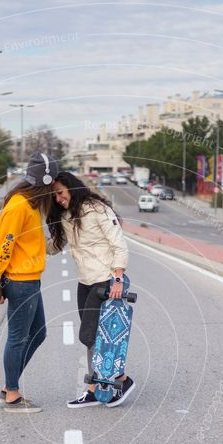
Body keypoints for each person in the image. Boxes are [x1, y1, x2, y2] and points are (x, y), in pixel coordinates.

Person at [48, 171, 135, 408]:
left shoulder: (97, 209)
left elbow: (118, 242)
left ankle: (122, 379)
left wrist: (118, 277)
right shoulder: (66, 216)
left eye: (60, 193)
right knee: (92, 340)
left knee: (92, 335)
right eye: (54, 196)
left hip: (105, 280)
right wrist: (31, 245)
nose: (58, 199)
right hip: (85, 282)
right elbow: (55, 246)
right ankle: (94, 390)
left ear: (71, 188)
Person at [0, 151, 58, 413]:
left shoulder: (30, 205)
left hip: (31, 279)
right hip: (20, 281)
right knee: (17, 338)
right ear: (45, 181)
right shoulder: (18, 206)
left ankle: (9, 386)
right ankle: (12, 394)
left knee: (39, 333)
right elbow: (5, 246)